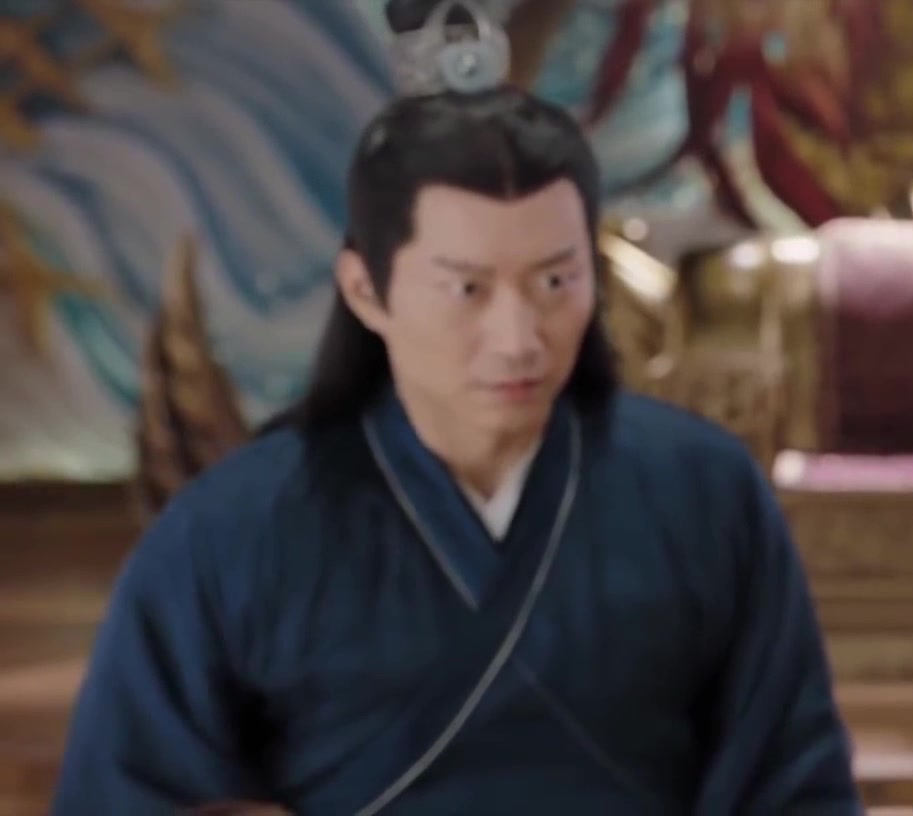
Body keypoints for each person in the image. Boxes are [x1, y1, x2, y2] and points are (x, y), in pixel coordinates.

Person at [53, 1, 860, 813]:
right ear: (366, 290)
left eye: (555, 281)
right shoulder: (234, 528)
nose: (518, 339)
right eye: (467, 289)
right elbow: (124, 794)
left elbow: (795, 788)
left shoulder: (703, 495)